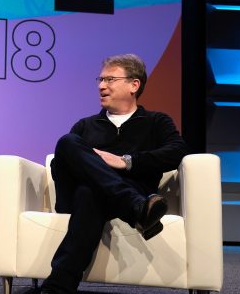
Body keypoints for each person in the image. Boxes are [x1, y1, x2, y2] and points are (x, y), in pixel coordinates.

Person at [41, 54, 190, 294]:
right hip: (83, 196)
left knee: (92, 194)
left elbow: (178, 151)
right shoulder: (85, 126)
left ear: (134, 85)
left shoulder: (156, 121)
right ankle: (137, 210)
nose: (101, 86)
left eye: (110, 79)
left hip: (121, 191)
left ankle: (56, 288)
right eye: (100, 79)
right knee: (68, 143)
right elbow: (62, 168)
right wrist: (92, 166)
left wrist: (127, 162)